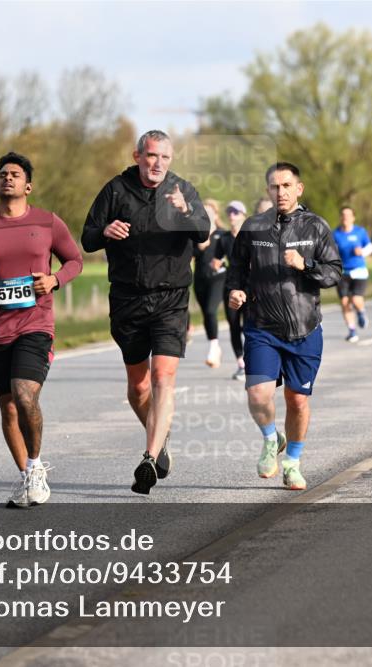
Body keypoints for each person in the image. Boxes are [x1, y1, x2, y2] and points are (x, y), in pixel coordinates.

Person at [81, 130, 210, 495]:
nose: (158, 164)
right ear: (137, 155)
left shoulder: (183, 191)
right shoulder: (116, 190)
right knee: (138, 388)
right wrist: (105, 230)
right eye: (152, 156)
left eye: (165, 158)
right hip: (127, 298)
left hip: (171, 298)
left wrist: (185, 212)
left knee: (162, 378)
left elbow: (203, 232)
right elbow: (87, 238)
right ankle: (160, 434)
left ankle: (150, 458)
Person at [0, 152, 82, 507]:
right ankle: (28, 476)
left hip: (36, 324)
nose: (7, 178)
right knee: (9, 408)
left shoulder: (48, 223)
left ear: (28, 185)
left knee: (25, 394)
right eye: (2, 174)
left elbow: (75, 260)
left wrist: (54, 280)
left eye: (14, 174)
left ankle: (36, 466)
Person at [225, 162, 341, 490]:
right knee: (258, 394)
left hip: (305, 328)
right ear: (268, 191)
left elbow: (334, 271)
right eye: (275, 187)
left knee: (297, 400)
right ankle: (269, 438)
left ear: (298, 188)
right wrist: (236, 291)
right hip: (262, 327)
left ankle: (292, 462)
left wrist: (306, 265)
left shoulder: (315, 227)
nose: (281, 192)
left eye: (287, 186)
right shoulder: (253, 228)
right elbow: (236, 269)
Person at [192, 199, 227, 368]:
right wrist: (198, 248)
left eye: (210, 211)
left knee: (211, 310)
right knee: (206, 313)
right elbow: (186, 256)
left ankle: (213, 348)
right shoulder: (196, 234)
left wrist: (222, 261)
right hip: (199, 278)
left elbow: (234, 255)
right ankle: (215, 346)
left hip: (218, 277)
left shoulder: (222, 234)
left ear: (216, 214)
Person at [214, 200, 248, 379]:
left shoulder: (252, 235)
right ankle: (241, 364)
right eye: (229, 212)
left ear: (243, 214)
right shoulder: (224, 238)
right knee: (234, 326)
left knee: (250, 325)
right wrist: (216, 265)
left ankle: (254, 361)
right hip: (230, 288)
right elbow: (217, 260)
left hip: (250, 287)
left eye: (235, 212)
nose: (231, 215)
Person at [332, 206, 372, 342]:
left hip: (359, 271)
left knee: (356, 299)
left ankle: (361, 312)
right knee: (344, 302)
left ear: (353, 217)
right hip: (343, 272)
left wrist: (362, 252)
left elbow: (369, 247)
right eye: (343, 215)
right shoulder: (336, 234)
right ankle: (352, 330)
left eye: (348, 215)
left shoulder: (360, 231)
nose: (346, 217)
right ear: (341, 217)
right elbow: (330, 250)